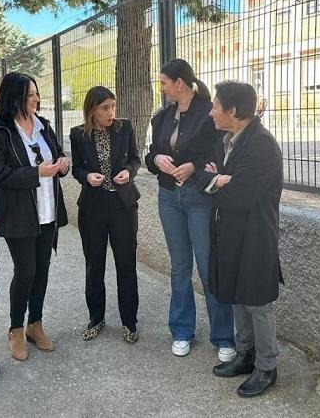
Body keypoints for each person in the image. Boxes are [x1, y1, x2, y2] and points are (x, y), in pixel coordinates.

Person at [195, 80, 284, 398]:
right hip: (230, 235)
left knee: (258, 304)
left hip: (255, 236)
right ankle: (245, 356)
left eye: (216, 105)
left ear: (232, 110)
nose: (211, 111)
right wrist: (216, 180)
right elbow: (208, 177)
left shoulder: (261, 145)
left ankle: (266, 367)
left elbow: (240, 198)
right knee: (236, 296)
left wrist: (214, 183)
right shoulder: (227, 140)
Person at [145, 58, 236, 362]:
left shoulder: (208, 112)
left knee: (209, 266)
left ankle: (224, 336)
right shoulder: (162, 117)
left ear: (179, 83)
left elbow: (218, 151)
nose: (162, 87)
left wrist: (193, 166)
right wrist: (156, 160)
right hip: (169, 197)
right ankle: (182, 331)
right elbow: (152, 153)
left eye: (164, 82)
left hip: (199, 197)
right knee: (179, 266)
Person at [0, 72, 69, 362]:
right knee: (26, 271)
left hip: (47, 211)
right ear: (15, 97)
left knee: (42, 270)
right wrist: (36, 173)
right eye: (30, 94)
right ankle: (16, 329)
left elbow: (56, 155)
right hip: (18, 214)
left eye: (36, 93)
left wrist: (63, 164)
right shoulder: (0, 132)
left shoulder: (43, 125)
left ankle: (36, 324)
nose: (36, 98)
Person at [70, 86, 141, 344]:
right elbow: (76, 168)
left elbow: (135, 159)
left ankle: (129, 322)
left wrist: (129, 173)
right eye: (105, 108)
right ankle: (96, 318)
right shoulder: (78, 135)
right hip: (93, 208)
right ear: (92, 110)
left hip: (123, 206)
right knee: (94, 264)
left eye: (113, 106)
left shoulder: (125, 127)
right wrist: (87, 177)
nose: (112, 112)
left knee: (126, 264)